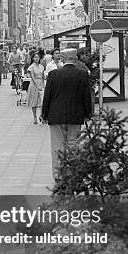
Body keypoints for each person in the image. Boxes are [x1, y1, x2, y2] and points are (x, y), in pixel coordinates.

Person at [41, 48, 92, 180]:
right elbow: (86, 97)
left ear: (63, 58)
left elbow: (48, 96)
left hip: (56, 115)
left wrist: (44, 114)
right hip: (76, 115)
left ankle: (58, 175)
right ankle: (73, 173)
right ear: (75, 59)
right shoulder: (83, 74)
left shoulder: (53, 74)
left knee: (57, 146)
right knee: (73, 144)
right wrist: (88, 114)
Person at [27, 52, 45, 124]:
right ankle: (35, 117)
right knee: (33, 101)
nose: (36, 59)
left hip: (41, 83)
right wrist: (37, 85)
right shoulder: (31, 67)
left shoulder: (42, 66)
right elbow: (33, 77)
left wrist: (43, 84)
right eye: (35, 57)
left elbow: (43, 76)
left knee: (42, 101)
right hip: (34, 84)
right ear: (33, 58)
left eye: (38, 57)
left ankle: (41, 116)